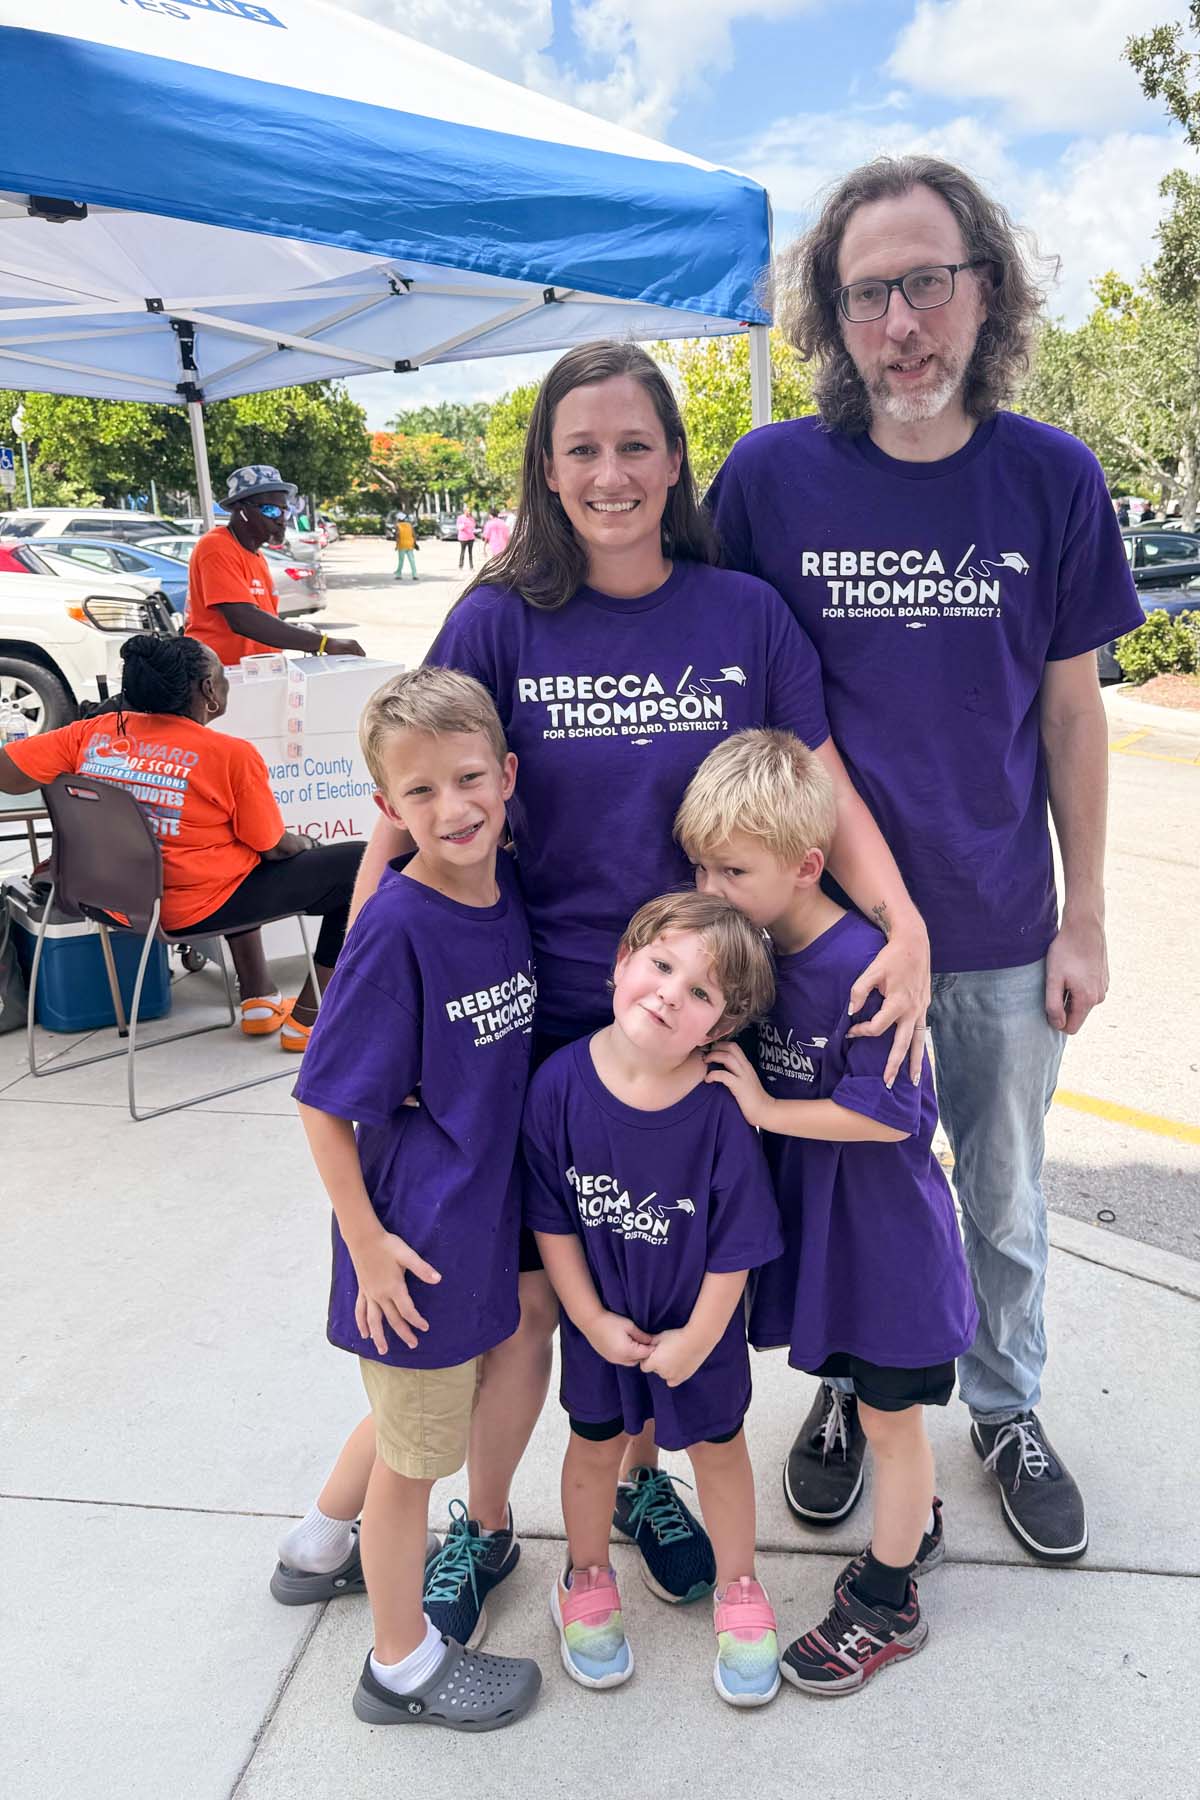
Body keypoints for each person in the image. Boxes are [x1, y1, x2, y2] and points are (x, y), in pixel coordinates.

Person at [347, 339, 931, 1626]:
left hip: (697, 1009)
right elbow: (406, 803)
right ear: (546, 473)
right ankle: (486, 1524)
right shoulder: (498, 618)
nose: (610, 473)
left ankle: (640, 1478)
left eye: (634, 446)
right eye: (581, 449)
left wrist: (906, 927)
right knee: (526, 1306)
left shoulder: (743, 614)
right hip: (541, 1015)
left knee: (656, 1289)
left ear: (674, 461)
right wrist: (359, 989)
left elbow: (819, 773)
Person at [707, 156, 1144, 1563]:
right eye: (869, 293)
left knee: (1003, 1192)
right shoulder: (771, 479)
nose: (902, 323)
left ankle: (1007, 1406)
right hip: (824, 937)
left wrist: (1087, 919)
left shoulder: (1052, 479)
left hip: (1005, 925)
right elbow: (705, 654)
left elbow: (1073, 711)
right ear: (832, 319)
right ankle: (847, 1386)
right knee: (847, 1182)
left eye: (928, 283)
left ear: (986, 290)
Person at [679, 730, 978, 1695]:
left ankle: (888, 1597)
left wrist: (765, 1108)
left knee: (892, 1423)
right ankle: (912, 1518)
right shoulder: (760, 957)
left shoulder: (867, 967)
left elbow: (892, 1118)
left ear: (808, 865)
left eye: (734, 868)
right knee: (877, 1412)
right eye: (701, 864)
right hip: (830, 1241)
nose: (711, 885)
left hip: (887, 1246)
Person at [292, 665, 542, 1732]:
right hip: (419, 1246)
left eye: (470, 779)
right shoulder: (401, 931)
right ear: (386, 812)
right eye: (421, 793)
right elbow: (321, 1103)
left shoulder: (500, 889)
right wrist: (370, 1246)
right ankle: (398, 1665)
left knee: (405, 1417)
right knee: (415, 1461)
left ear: (508, 776)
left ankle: (316, 1546)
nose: (454, 808)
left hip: (474, 1227)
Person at [523, 891, 784, 1707]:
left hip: (698, 1334)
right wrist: (591, 1320)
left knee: (718, 1451)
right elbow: (552, 1223)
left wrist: (701, 1340)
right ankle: (585, 1575)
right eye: (661, 965)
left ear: (720, 1026)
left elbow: (737, 1247)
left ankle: (740, 1592)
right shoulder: (559, 1084)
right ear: (621, 965)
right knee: (596, 1446)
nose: (672, 992)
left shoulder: (719, 1112)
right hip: (602, 1327)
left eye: (701, 992)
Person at [0, 634, 361, 1047]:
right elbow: (273, 847)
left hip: (105, 899)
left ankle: (259, 998)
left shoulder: (89, 734)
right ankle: (314, 1017)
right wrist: (306, 845)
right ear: (208, 690)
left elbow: (7, 775)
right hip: (185, 911)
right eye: (222, 676)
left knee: (229, 849)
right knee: (360, 864)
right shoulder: (228, 755)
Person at [186, 465, 364, 663]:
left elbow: (264, 619)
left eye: (284, 511)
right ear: (242, 510)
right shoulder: (217, 546)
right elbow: (243, 619)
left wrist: (301, 633)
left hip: (260, 672)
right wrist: (324, 644)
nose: (280, 520)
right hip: (222, 678)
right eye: (270, 510)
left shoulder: (257, 557)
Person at [394, 513, 419, 581]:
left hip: (402, 545)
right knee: (412, 560)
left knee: (401, 560)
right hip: (410, 545)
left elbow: (398, 536)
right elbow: (414, 535)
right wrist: (415, 543)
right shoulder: (410, 525)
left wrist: (397, 545)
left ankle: (398, 574)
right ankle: (415, 574)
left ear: (399, 519)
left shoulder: (398, 526)